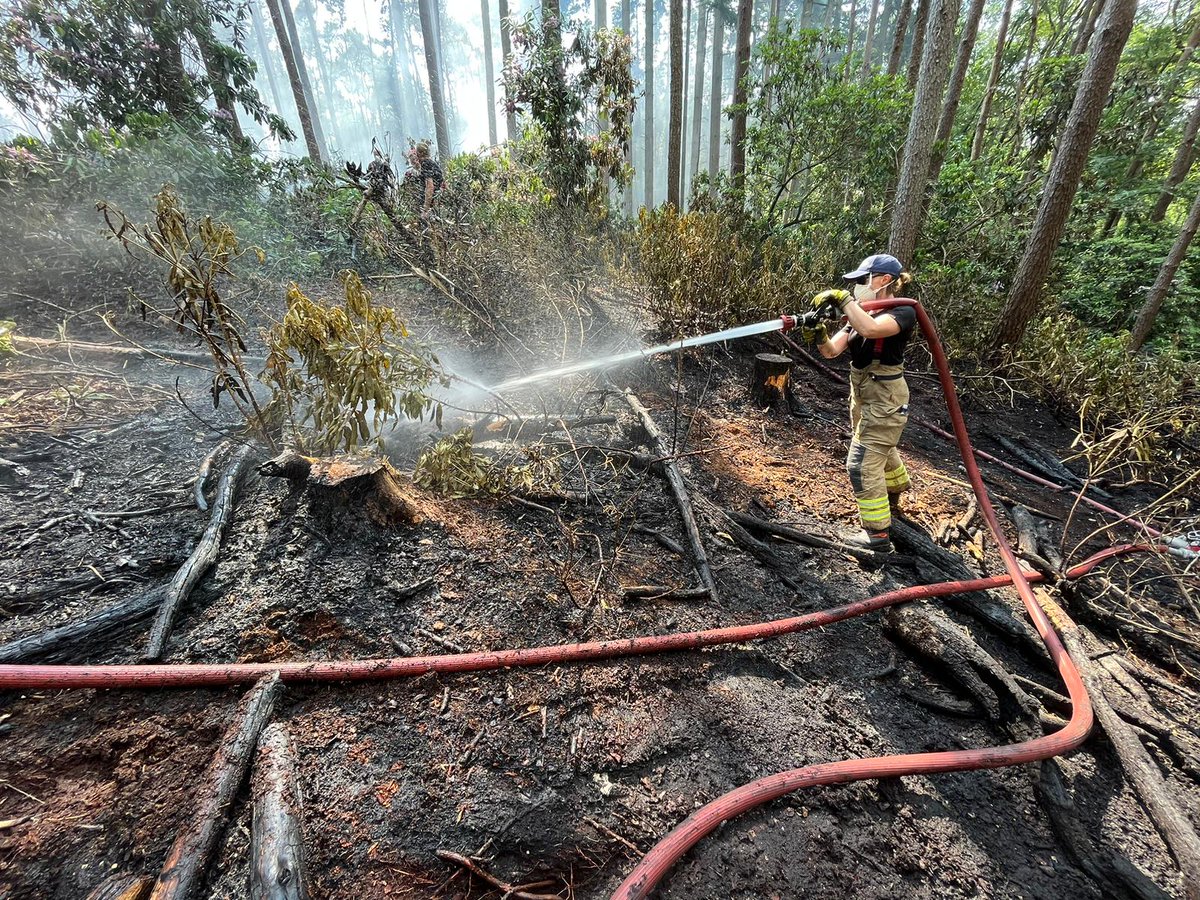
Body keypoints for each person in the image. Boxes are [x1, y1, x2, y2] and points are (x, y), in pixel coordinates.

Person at [803, 253, 916, 552]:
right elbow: (831, 351)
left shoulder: (903, 311)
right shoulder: (861, 312)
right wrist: (819, 334)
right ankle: (894, 498)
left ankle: (877, 538)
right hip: (864, 394)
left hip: (886, 396)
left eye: (860, 282)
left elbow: (872, 329)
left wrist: (843, 301)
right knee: (880, 449)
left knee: (861, 463)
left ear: (883, 280)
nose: (856, 288)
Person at [406, 142, 443, 221]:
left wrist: (425, 209)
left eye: (416, 152)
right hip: (435, 200)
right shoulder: (430, 163)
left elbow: (430, 186)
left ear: (420, 153)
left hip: (432, 202)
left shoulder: (425, 163)